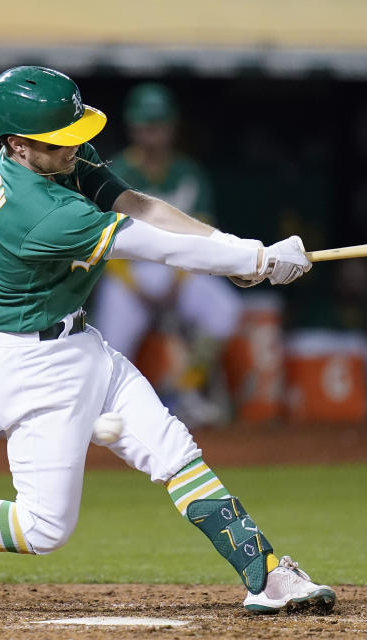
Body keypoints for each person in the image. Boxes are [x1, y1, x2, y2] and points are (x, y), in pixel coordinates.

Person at [0, 66, 333, 615]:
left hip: (81, 343)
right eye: (60, 140)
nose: (75, 147)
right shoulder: (36, 213)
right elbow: (152, 246)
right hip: (33, 367)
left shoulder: (56, 157)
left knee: (173, 450)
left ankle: (264, 576)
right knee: (44, 528)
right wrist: (258, 260)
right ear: (18, 145)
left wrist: (240, 252)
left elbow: (140, 205)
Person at [93, 83, 241, 426]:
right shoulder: (115, 172)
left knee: (226, 310)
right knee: (108, 345)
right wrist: (135, 287)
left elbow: (201, 232)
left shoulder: (189, 173)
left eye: (158, 126)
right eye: (145, 126)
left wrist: (177, 278)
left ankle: (185, 390)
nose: (152, 135)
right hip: (128, 273)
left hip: (181, 269)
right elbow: (102, 239)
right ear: (133, 128)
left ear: (171, 128)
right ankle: (102, 411)